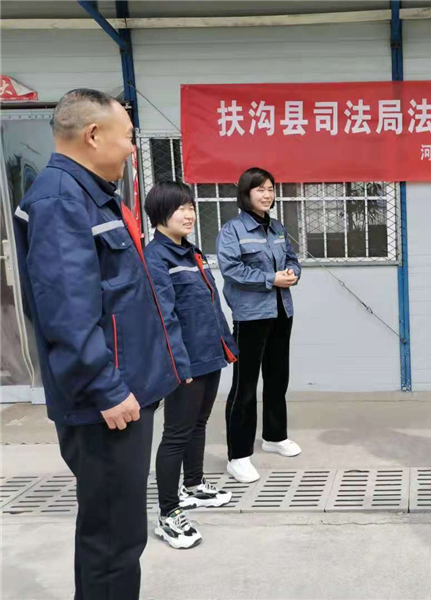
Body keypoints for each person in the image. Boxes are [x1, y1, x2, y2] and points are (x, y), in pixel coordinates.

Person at [12, 89, 181, 599]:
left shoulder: (88, 194)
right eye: (128, 137)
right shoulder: (62, 200)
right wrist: (105, 388)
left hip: (122, 392)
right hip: (106, 403)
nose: (132, 148)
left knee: (118, 533)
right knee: (113, 540)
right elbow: (66, 311)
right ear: (92, 135)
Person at [143, 181, 239, 549]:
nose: (189, 214)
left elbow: (209, 306)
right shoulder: (157, 258)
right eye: (179, 208)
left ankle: (194, 485)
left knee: (199, 422)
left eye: (190, 207)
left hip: (208, 353)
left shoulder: (191, 252)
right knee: (176, 434)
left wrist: (224, 346)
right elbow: (163, 317)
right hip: (185, 360)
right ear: (159, 214)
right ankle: (168, 513)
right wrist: (178, 365)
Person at [216, 167, 302, 483]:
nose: (267, 195)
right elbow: (232, 270)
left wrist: (292, 273)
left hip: (281, 311)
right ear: (246, 193)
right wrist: (271, 278)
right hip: (251, 316)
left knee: (278, 377)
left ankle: (275, 436)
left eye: (270, 189)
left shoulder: (277, 228)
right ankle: (238, 456)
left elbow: (291, 258)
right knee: (245, 385)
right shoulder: (232, 230)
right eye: (260, 189)